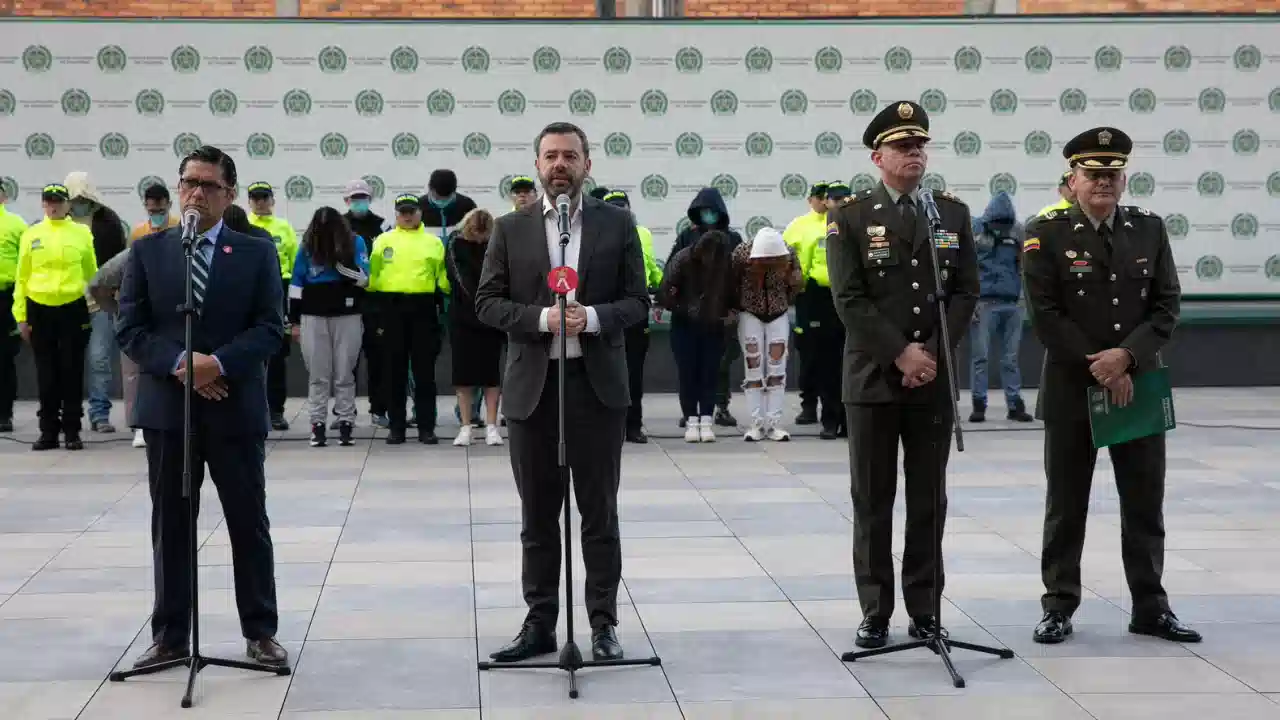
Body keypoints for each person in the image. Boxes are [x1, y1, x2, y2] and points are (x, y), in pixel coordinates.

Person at [476, 121, 648, 664]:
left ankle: (602, 624)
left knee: (599, 513)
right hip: (533, 390)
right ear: (536, 166)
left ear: (587, 164)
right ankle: (539, 624)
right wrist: (543, 318)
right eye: (550, 156)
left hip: (595, 390)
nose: (559, 165)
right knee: (537, 516)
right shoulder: (510, 228)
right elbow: (486, 302)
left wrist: (592, 317)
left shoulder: (617, 224)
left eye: (569, 156)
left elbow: (639, 302)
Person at [1022, 127, 1198, 646]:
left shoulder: (1149, 228)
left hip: (1137, 384)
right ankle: (1058, 605)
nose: (1103, 182)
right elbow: (1045, 314)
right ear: (1071, 179)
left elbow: (1167, 305)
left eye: (1112, 174)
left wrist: (1126, 358)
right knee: (1066, 502)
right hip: (1072, 386)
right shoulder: (1044, 232)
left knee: (1144, 501)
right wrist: (1099, 365)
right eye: (1092, 173)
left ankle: (1150, 606)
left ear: (1124, 179)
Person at [115, 145, 288, 669]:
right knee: (170, 524)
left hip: (235, 410)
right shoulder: (149, 250)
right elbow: (131, 328)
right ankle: (170, 636)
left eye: (208, 185)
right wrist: (182, 365)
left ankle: (260, 632)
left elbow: (269, 328)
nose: (195, 193)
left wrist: (219, 364)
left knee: (247, 521)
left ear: (229, 194)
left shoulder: (256, 251)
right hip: (171, 412)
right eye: (188, 183)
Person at [826, 100, 979, 649]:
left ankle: (926, 608)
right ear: (878, 156)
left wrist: (931, 354)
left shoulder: (950, 214)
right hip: (872, 379)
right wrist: (901, 354)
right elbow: (849, 299)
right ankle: (875, 610)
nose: (914, 153)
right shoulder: (849, 216)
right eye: (902, 146)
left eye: (919, 145)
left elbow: (964, 292)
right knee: (872, 500)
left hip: (931, 379)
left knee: (927, 500)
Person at [13, 183, 98, 450]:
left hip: (72, 307)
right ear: (42, 204)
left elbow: (91, 272)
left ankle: (72, 430)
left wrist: (94, 306)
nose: (53, 206)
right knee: (46, 373)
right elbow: (22, 277)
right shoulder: (32, 234)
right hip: (39, 308)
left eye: (58, 202)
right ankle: (48, 431)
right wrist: (21, 316)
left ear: (67, 204)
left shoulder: (82, 233)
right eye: (48, 202)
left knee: (72, 371)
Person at [367, 193, 449, 445]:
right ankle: (397, 428)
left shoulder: (434, 243)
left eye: (411, 211)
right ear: (396, 214)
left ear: (419, 213)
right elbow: (373, 277)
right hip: (391, 308)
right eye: (402, 211)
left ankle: (426, 427)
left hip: (423, 308)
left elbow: (443, 280)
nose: (407, 215)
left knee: (425, 372)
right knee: (394, 371)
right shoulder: (383, 240)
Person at [289, 206, 370, 448]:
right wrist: (293, 322)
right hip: (313, 317)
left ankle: (345, 422)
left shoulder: (355, 243)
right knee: (318, 375)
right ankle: (317, 424)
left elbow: (365, 279)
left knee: (345, 373)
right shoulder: (307, 246)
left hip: (348, 315)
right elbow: (296, 285)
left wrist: (341, 263)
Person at [666, 187, 742, 429]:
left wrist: (733, 308)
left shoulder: (732, 239)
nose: (708, 215)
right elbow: (671, 273)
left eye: (712, 211)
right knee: (689, 368)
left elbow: (738, 277)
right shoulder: (686, 237)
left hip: (718, 315)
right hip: (687, 316)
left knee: (717, 366)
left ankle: (719, 408)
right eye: (703, 211)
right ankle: (691, 412)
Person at [658, 229, 737, 443]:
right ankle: (691, 420)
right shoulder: (684, 258)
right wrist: (685, 308)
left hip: (713, 325)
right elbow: (665, 291)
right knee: (688, 373)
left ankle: (706, 421)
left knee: (710, 373)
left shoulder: (726, 264)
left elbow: (733, 294)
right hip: (685, 325)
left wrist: (730, 314)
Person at [65, 172, 128, 435]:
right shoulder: (59, 224)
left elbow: (117, 263)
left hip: (100, 301)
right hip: (67, 301)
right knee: (66, 360)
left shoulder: (108, 221)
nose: (79, 202)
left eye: (83, 197)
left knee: (100, 358)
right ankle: (67, 415)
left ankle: (100, 414)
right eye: (74, 198)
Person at [731, 226, 802, 441]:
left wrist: (788, 295)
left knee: (777, 367)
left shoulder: (788, 253)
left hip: (778, 313)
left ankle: (774, 424)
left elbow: (796, 284)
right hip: (749, 313)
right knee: (753, 365)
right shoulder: (741, 253)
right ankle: (756, 423)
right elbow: (732, 284)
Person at [603, 190, 662, 444]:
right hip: (607, 310)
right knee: (606, 372)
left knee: (634, 373)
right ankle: (609, 426)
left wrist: (659, 286)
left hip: (636, 311)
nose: (621, 212)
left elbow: (650, 268)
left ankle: (633, 425)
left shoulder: (643, 233)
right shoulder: (597, 235)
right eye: (615, 208)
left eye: (623, 207)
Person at [969, 190, 1033, 423]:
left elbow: (1024, 266)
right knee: (980, 358)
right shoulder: (975, 229)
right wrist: (971, 301)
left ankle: (1015, 405)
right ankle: (979, 405)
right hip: (983, 303)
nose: (1000, 228)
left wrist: (1024, 301)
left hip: (1011, 303)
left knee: (1011, 359)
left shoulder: (1018, 230)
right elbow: (967, 267)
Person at [446, 208, 505, 447]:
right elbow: (457, 277)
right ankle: (466, 426)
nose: (480, 238)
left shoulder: (497, 243)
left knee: (491, 373)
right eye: (476, 233)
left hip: (492, 317)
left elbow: (503, 275)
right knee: (463, 374)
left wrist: (493, 306)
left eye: (484, 234)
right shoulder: (455, 243)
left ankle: (492, 426)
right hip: (464, 316)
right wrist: (480, 302)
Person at [799, 181, 854, 440]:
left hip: (853, 299)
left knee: (852, 364)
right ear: (825, 202)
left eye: (844, 199)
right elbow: (802, 267)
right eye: (834, 199)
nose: (839, 203)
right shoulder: (814, 229)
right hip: (821, 299)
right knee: (827, 364)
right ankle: (830, 420)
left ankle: (849, 421)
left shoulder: (860, 224)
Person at [246, 182, 298, 431]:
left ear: (272, 200)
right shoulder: (244, 225)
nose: (260, 202)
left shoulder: (284, 227)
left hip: (282, 287)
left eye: (264, 197)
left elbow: (295, 261)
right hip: (251, 288)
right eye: (255, 198)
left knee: (277, 354)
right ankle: (252, 410)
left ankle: (277, 411)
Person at [342, 179, 394, 428]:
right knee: (346, 360)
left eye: (363, 197)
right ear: (346, 201)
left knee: (378, 358)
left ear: (370, 199)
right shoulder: (339, 226)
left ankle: (379, 410)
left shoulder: (382, 226)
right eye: (354, 198)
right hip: (346, 301)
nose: (358, 202)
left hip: (376, 302)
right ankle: (346, 412)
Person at [783, 181, 829, 426]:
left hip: (838, 296)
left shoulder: (842, 222)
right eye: (818, 197)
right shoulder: (798, 226)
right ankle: (808, 406)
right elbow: (784, 257)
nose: (823, 201)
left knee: (835, 355)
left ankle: (834, 408)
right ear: (810, 199)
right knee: (809, 353)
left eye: (826, 197)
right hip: (809, 296)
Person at [0, 185, 27, 433]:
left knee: (5, 357)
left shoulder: (16, 224)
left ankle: (4, 414)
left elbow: (26, 263)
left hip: (6, 296)